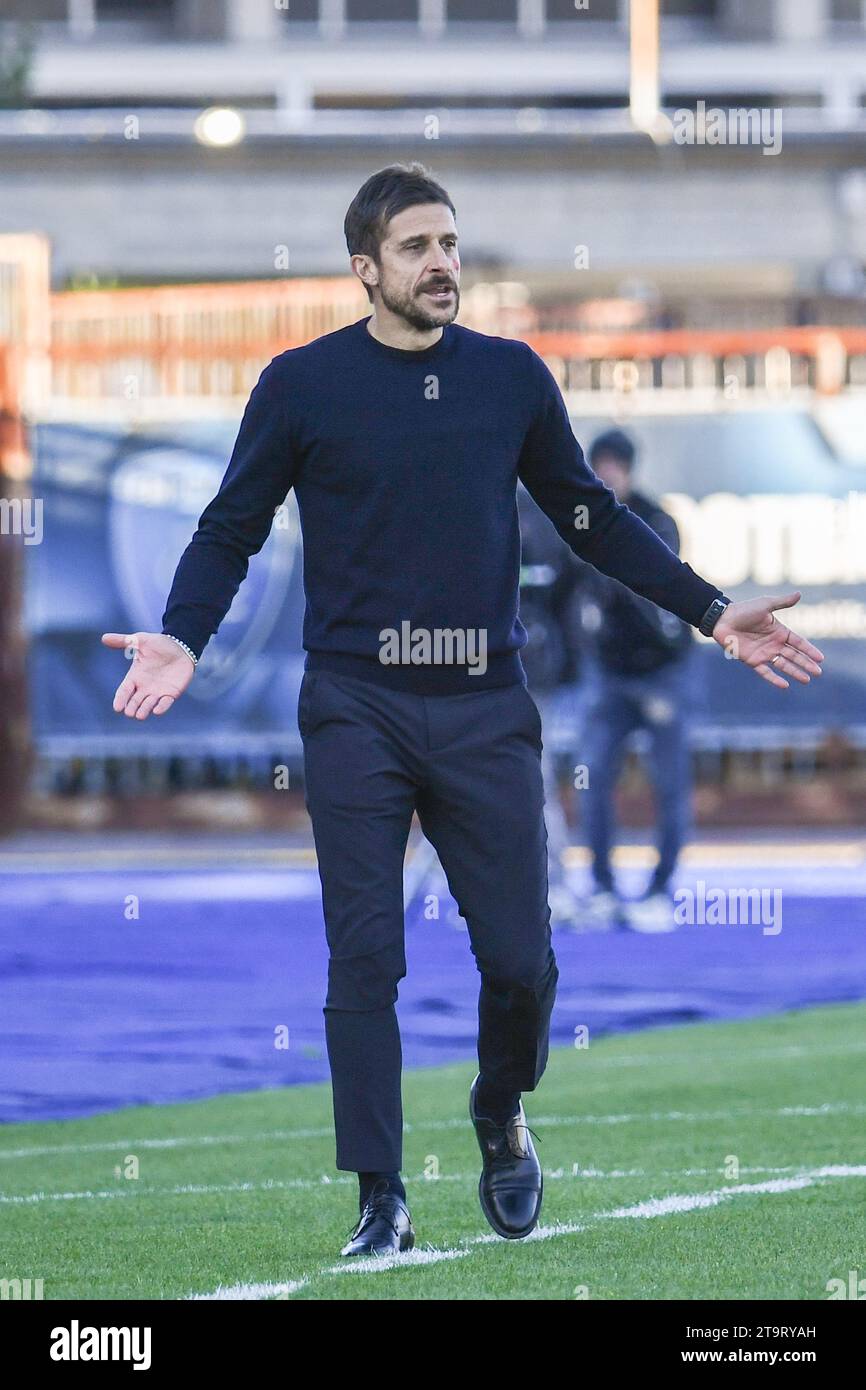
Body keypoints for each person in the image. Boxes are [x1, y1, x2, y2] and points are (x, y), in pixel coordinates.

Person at [101, 163, 824, 1259]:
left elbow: (592, 518)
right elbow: (227, 526)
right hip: (353, 703)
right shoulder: (300, 386)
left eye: (448, 243)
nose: (440, 263)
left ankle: (498, 1112)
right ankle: (380, 1194)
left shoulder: (509, 378)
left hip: (487, 704)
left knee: (522, 963)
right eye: (414, 247)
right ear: (363, 270)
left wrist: (712, 611)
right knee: (365, 954)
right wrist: (182, 632)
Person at [576, 429, 696, 933]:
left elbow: (654, 585)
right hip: (611, 674)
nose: (606, 475)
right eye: (598, 466)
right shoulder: (577, 519)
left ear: (628, 470)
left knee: (668, 784)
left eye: (613, 466)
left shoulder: (654, 521)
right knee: (592, 777)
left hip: (662, 673)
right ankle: (602, 887)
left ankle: (660, 889)